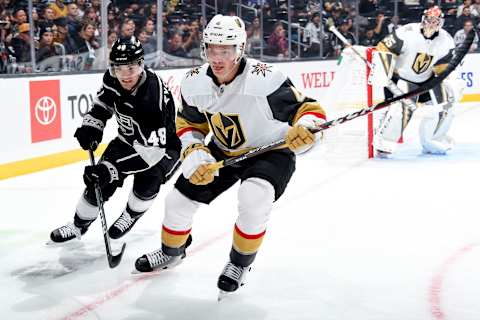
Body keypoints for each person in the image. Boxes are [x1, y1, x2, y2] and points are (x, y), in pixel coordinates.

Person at [134, 15, 326, 296]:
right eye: (212, 49)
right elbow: (189, 124)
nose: (218, 57)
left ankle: (239, 263)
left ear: (240, 49)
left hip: (270, 151)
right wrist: (194, 149)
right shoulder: (193, 82)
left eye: (226, 50)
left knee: (254, 197)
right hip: (223, 150)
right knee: (177, 201)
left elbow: (307, 109)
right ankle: (172, 252)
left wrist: (309, 129)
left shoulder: (266, 78)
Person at [49, 37, 181, 243]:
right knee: (97, 185)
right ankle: (77, 226)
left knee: (147, 182)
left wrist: (110, 170)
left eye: (131, 68)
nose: (125, 75)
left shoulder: (151, 98)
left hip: (164, 148)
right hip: (127, 140)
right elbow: (102, 105)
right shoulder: (111, 79)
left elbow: (151, 152)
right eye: (119, 69)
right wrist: (91, 127)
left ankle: (131, 214)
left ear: (141, 65)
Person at [373, 6, 463, 157]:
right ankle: (385, 142)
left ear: (440, 23)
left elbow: (443, 67)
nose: (431, 24)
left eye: (435, 21)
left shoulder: (446, 39)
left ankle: (433, 140)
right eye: (429, 20)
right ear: (423, 19)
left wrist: (449, 80)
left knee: (445, 105)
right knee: (402, 109)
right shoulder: (407, 31)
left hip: (426, 81)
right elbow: (384, 47)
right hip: (401, 78)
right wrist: (384, 71)